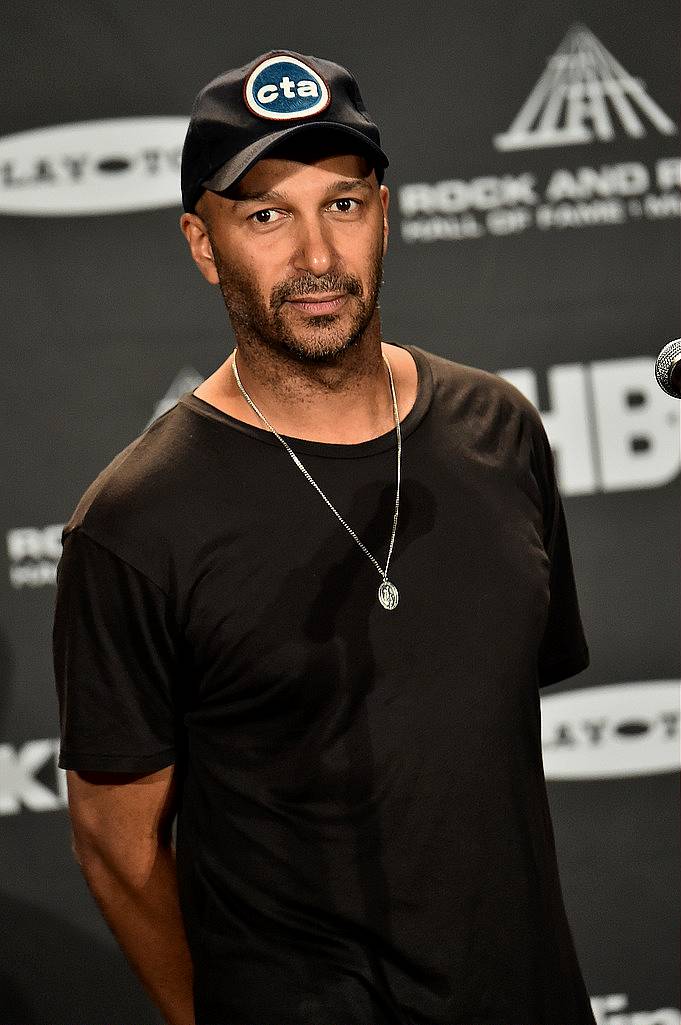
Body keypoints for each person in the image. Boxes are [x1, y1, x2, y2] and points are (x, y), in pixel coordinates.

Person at [52, 49, 597, 1025]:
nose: (314, 255)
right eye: (266, 215)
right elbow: (115, 843)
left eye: (342, 204)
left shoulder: (500, 428)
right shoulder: (134, 522)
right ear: (202, 243)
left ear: (385, 212)